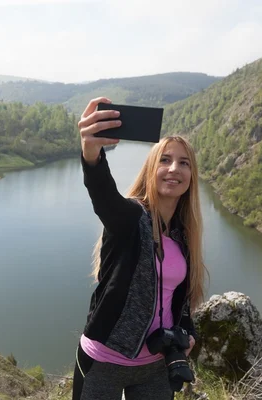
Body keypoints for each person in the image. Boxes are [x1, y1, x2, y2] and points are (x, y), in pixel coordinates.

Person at [72, 97, 207, 400]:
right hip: (104, 361)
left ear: (191, 177)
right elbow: (103, 196)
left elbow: (179, 300)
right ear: (151, 168)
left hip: (156, 365)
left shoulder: (185, 235)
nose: (174, 169)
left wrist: (187, 333)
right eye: (165, 160)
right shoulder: (131, 217)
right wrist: (92, 154)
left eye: (184, 163)